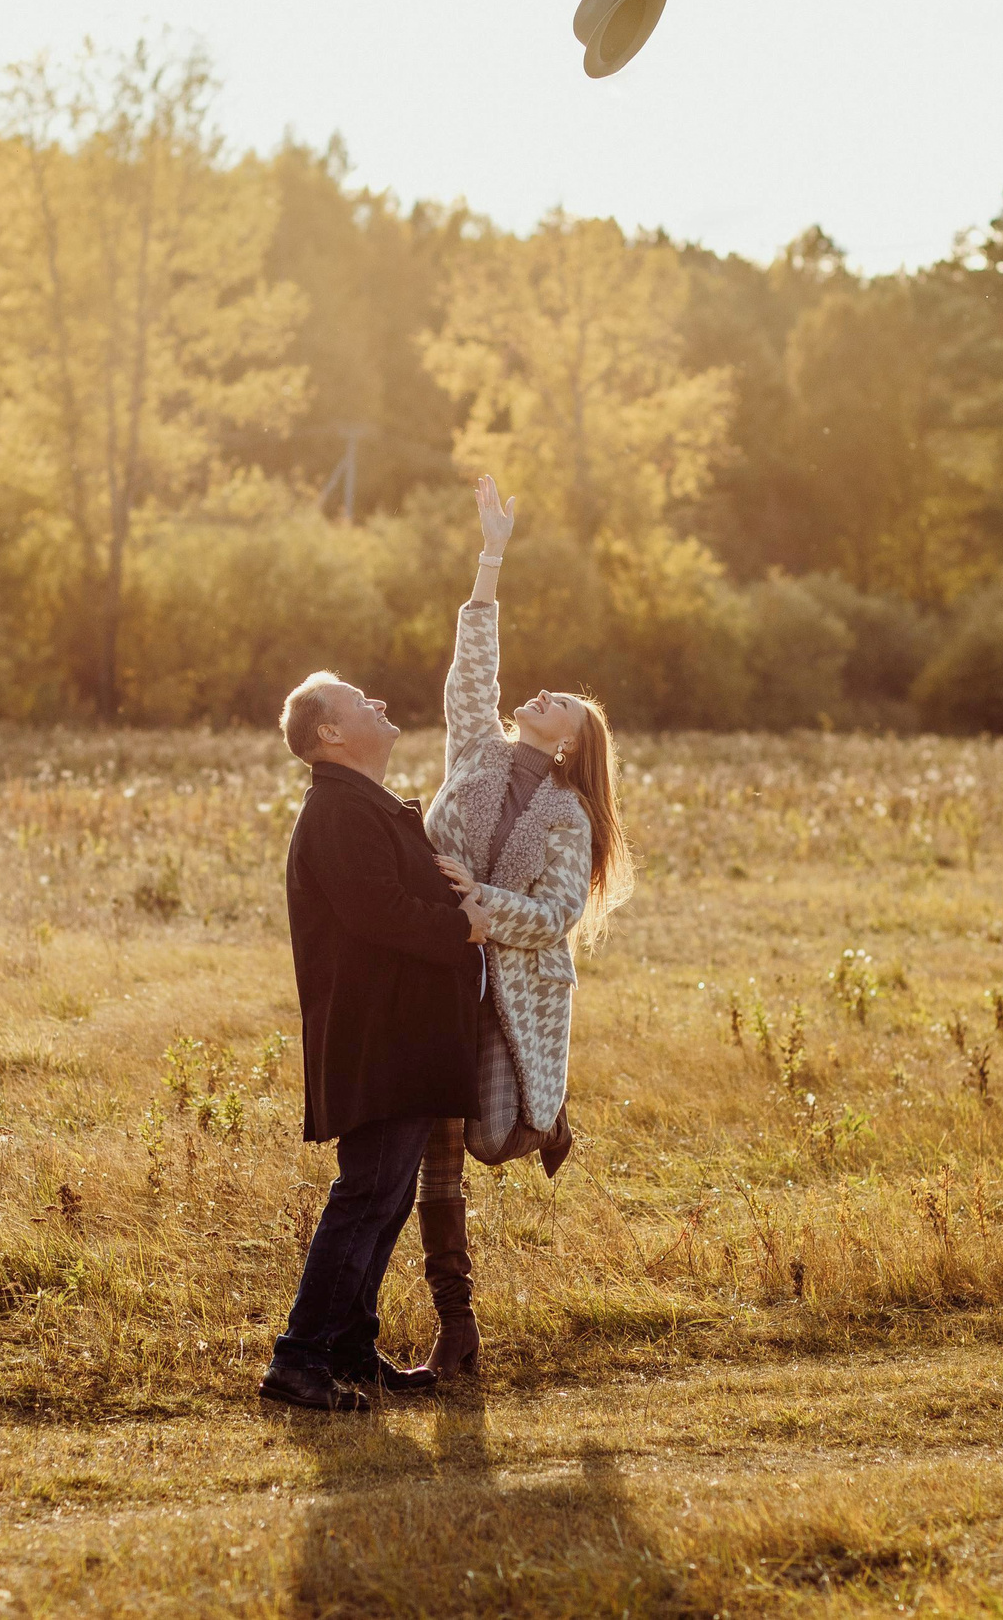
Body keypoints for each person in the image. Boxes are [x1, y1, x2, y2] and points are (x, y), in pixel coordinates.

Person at [414, 474, 636, 1380]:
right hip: (427, 975)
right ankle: (456, 1329)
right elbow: (473, 669)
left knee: (493, 1135)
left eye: (562, 707)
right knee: (437, 1152)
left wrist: (479, 909)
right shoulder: (477, 748)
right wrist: (491, 552)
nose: (541, 695)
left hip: (508, 990)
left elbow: (555, 918)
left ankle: (548, 1117)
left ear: (571, 746)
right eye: (546, 694)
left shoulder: (567, 816)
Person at [259, 668, 493, 1412]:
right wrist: (465, 925)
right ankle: (297, 1362)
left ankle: (351, 1351)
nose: (381, 702)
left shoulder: (361, 806)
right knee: (364, 1197)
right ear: (329, 732)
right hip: (379, 1042)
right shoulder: (336, 810)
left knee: (383, 1201)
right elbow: (380, 913)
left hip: (400, 1040)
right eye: (362, 701)